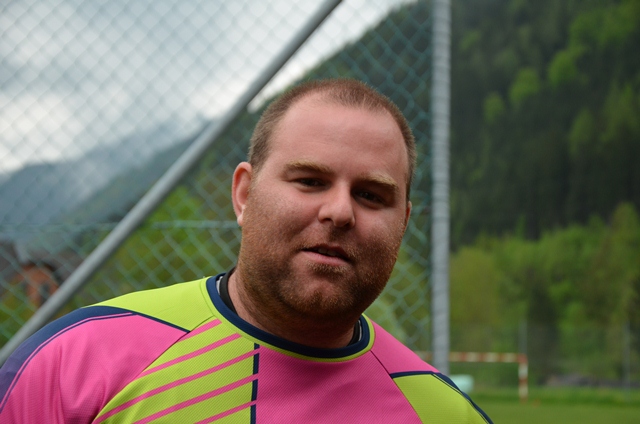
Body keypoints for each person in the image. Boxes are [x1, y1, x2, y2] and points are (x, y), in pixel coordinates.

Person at [0, 78, 493, 423]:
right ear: (244, 194)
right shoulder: (74, 365)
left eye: (371, 195)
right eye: (310, 180)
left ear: (402, 223)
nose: (340, 211)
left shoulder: (445, 414)